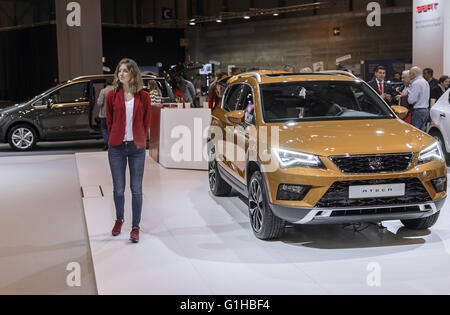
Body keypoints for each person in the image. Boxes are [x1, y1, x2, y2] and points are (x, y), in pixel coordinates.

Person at [106, 58, 152, 244]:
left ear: (133, 73)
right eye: (120, 71)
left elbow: (146, 121)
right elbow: (109, 121)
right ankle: (119, 219)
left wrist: (139, 138)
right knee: (118, 189)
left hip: (136, 148)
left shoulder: (144, 96)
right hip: (116, 148)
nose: (121, 74)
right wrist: (116, 136)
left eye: (125, 70)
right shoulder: (111, 95)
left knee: (136, 189)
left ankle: (135, 227)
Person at [408, 66, 430, 131]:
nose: (409, 76)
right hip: (425, 110)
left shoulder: (416, 83)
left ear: (414, 74)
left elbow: (411, 100)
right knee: (422, 133)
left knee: (415, 133)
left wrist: (407, 94)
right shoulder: (425, 82)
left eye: (410, 73)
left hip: (418, 111)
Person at [97, 78, 114, 150]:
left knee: (104, 129)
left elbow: (99, 103)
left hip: (104, 114)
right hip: (114, 115)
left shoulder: (103, 91)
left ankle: (107, 144)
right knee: (113, 129)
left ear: (106, 83)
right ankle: (114, 143)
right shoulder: (117, 90)